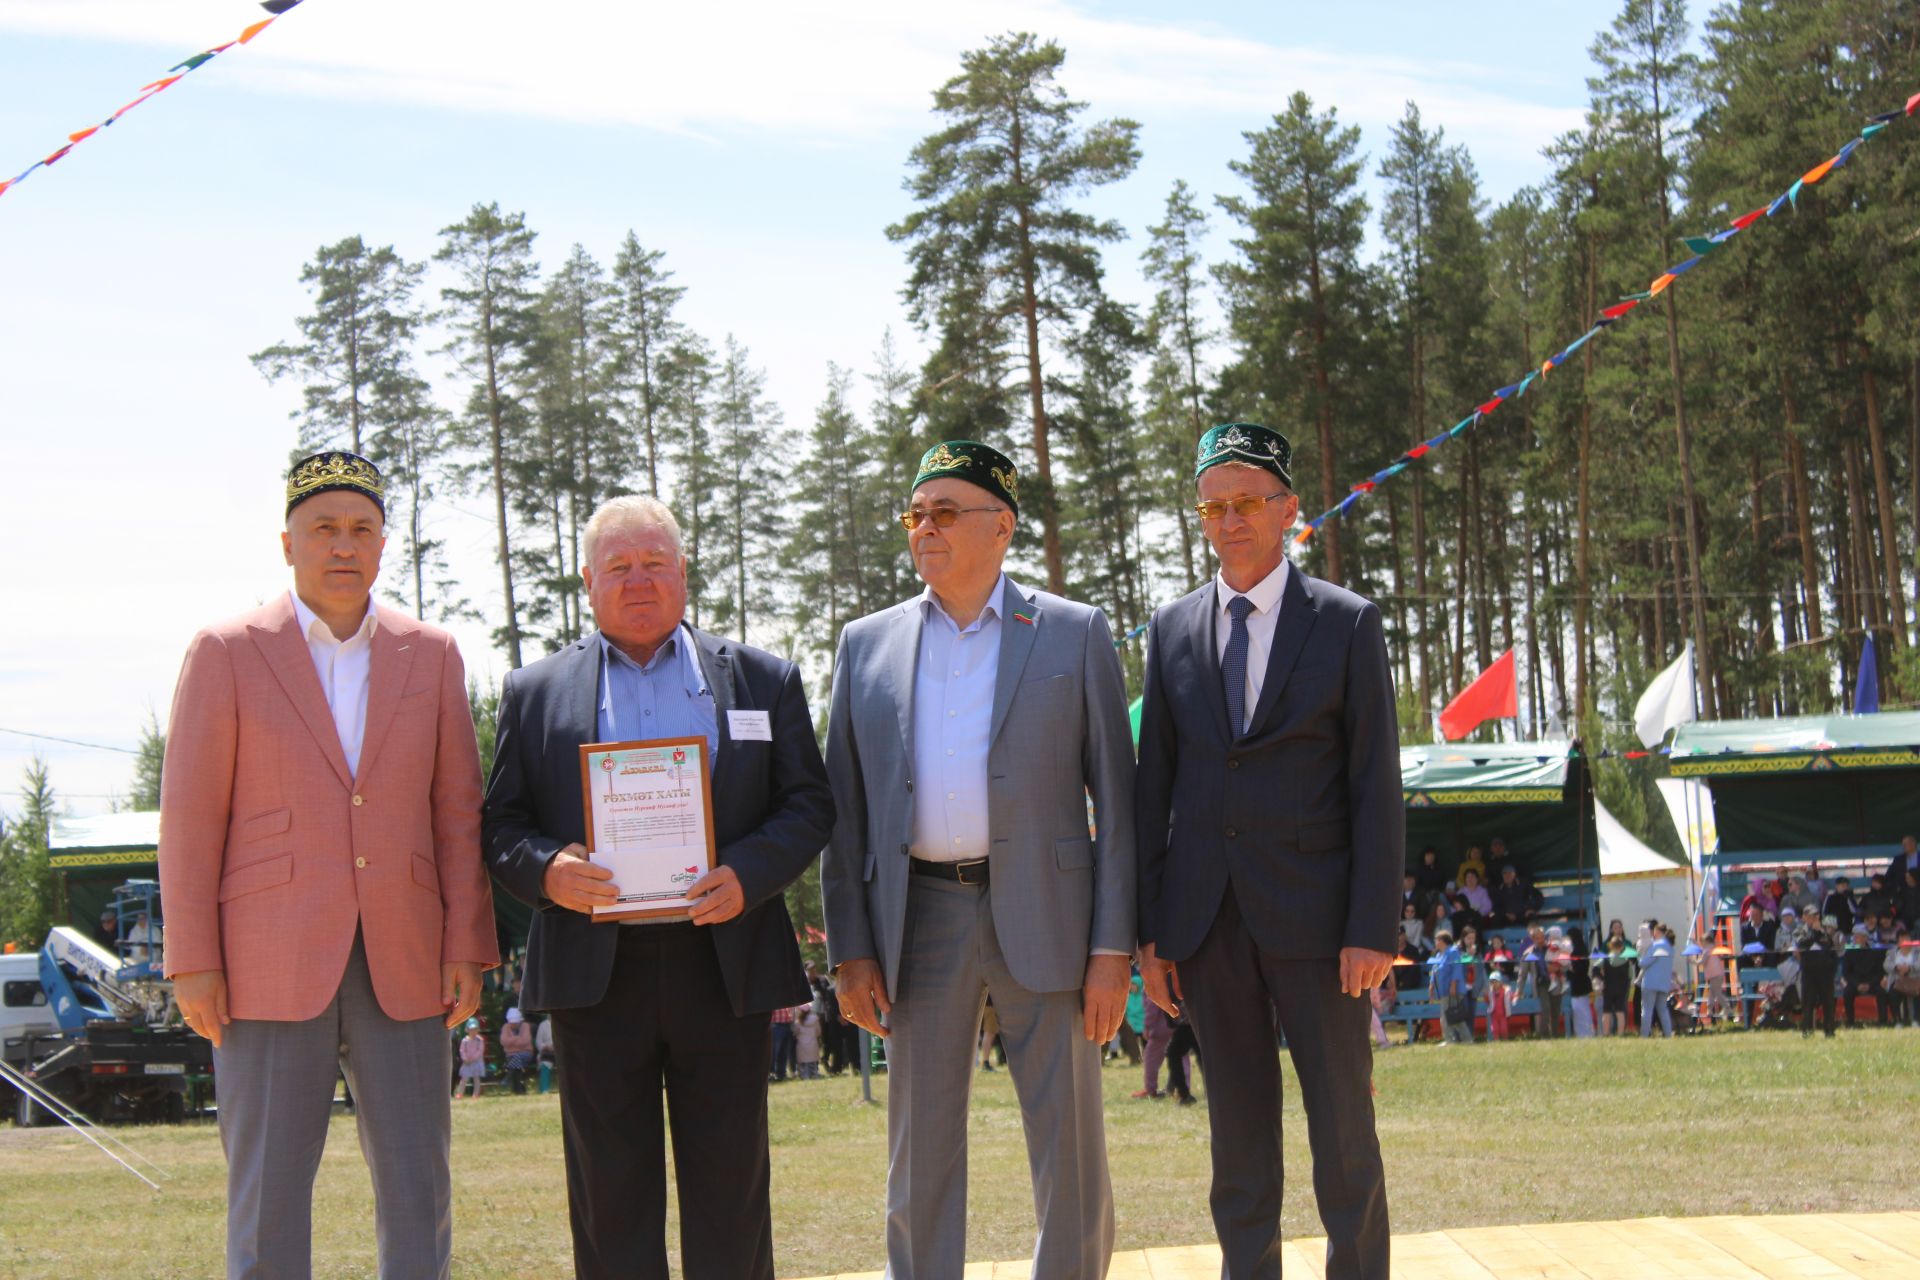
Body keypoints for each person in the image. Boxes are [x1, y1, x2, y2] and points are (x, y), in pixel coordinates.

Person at [158, 451, 497, 1279]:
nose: (342, 545)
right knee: (268, 1197)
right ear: (287, 543)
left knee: (420, 1188)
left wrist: (469, 943)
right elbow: (191, 820)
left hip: (408, 960)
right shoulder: (227, 651)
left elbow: (457, 812)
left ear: (383, 546)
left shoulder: (435, 654)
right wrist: (192, 960)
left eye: (361, 529)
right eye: (323, 529)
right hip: (263, 965)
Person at [481, 495, 834, 1280]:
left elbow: (810, 803)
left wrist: (749, 872)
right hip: (595, 971)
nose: (638, 582)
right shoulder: (534, 692)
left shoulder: (762, 680)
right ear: (587, 581)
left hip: (725, 960)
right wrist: (548, 871)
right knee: (609, 1198)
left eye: (654, 564)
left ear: (683, 571)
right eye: (619, 567)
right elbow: (498, 826)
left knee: (732, 1191)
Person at [821, 440, 1135, 1280]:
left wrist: (1112, 950)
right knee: (918, 1149)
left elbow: (1120, 799)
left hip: (1052, 919)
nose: (925, 529)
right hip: (917, 919)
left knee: (1069, 1146)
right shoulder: (866, 644)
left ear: (1002, 527)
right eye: (915, 515)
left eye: (945, 513)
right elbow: (842, 811)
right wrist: (850, 950)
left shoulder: (1073, 632)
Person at [1135, 423, 1401, 1280]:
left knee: (1344, 1144)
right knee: (1238, 1150)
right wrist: (1152, 937)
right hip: (1207, 926)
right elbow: (1153, 794)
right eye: (1213, 506)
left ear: (1289, 509)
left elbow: (1374, 788)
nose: (1229, 519)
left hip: (1324, 932)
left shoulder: (1347, 623)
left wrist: (1374, 927)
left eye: (1248, 501)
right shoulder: (1171, 629)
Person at [1796, 923, 1839, 1039]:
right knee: (1808, 1004)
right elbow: (1801, 944)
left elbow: (1832, 952)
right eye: (1811, 916)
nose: (1814, 920)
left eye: (1816, 916)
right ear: (1805, 918)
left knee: (1828, 1003)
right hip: (1809, 974)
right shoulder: (1801, 932)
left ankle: (1829, 1030)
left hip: (1825, 974)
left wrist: (1832, 969)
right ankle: (1807, 1030)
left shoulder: (1825, 935)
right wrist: (1814, 934)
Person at [1430, 931, 1471, 1046]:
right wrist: (1431, 986)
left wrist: (1453, 985)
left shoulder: (1453, 952)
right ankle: (1463, 1040)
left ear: (1442, 941)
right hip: (1443, 991)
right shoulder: (1438, 955)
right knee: (1451, 1016)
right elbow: (1434, 971)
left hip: (1453, 990)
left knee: (1451, 1016)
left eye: (1437, 940)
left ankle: (1452, 1040)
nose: (1436, 943)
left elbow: (1456, 969)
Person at [1637, 927, 1675, 1038]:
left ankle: (1644, 1035)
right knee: (1663, 1009)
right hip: (1664, 982)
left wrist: (1640, 955)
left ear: (1658, 932)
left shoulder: (1656, 945)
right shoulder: (1670, 947)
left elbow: (1644, 963)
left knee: (1647, 1009)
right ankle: (1668, 1034)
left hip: (1650, 982)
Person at [1599, 936, 1633, 1036]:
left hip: (1608, 988)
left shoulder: (1605, 959)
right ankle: (1620, 1033)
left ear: (1611, 946)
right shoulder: (1626, 960)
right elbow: (1630, 975)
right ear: (1621, 947)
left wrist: (1602, 975)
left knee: (1606, 1012)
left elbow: (1595, 968)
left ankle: (1606, 1033)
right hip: (1621, 989)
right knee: (1620, 1012)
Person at [499, 1007, 534, 1095]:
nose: (513, 1024)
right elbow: (504, 1041)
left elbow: (526, 1040)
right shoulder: (505, 1027)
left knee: (517, 1057)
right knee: (517, 1063)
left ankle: (508, 1077)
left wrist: (511, 1042)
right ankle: (519, 1090)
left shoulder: (525, 1026)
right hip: (510, 1055)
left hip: (526, 1054)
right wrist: (518, 1040)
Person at [456, 1021, 488, 1100]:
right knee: (464, 1079)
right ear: (467, 1030)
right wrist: (465, 1059)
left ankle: (475, 1094)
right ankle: (460, 1093)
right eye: (471, 1029)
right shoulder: (464, 1041)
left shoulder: (479, 1040)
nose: (473, 1031)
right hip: (467, 1062)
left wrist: (473, 1058)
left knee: (476, 1078)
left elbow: (480, 1051)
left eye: (475, 1029)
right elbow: (462, 1051)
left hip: (476, 1062)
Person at [794, 1005, 823, 1080]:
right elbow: (818, 1031)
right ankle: (814, 1074)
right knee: (812, 1061)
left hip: (801, 1044)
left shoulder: (798, 1021)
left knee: (803, 1062)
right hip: (813, 1042)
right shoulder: (815, 1019)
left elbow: (796, 1033)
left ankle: (804, 1075)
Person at [535, 1015, 558, 1093]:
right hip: (548, 1053)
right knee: (545, 1063)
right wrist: (546, 1047)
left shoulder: (564, 1023)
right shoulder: (543, 1025)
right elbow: (538, 1042)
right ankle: (544, 1089)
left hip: (562, 1052)